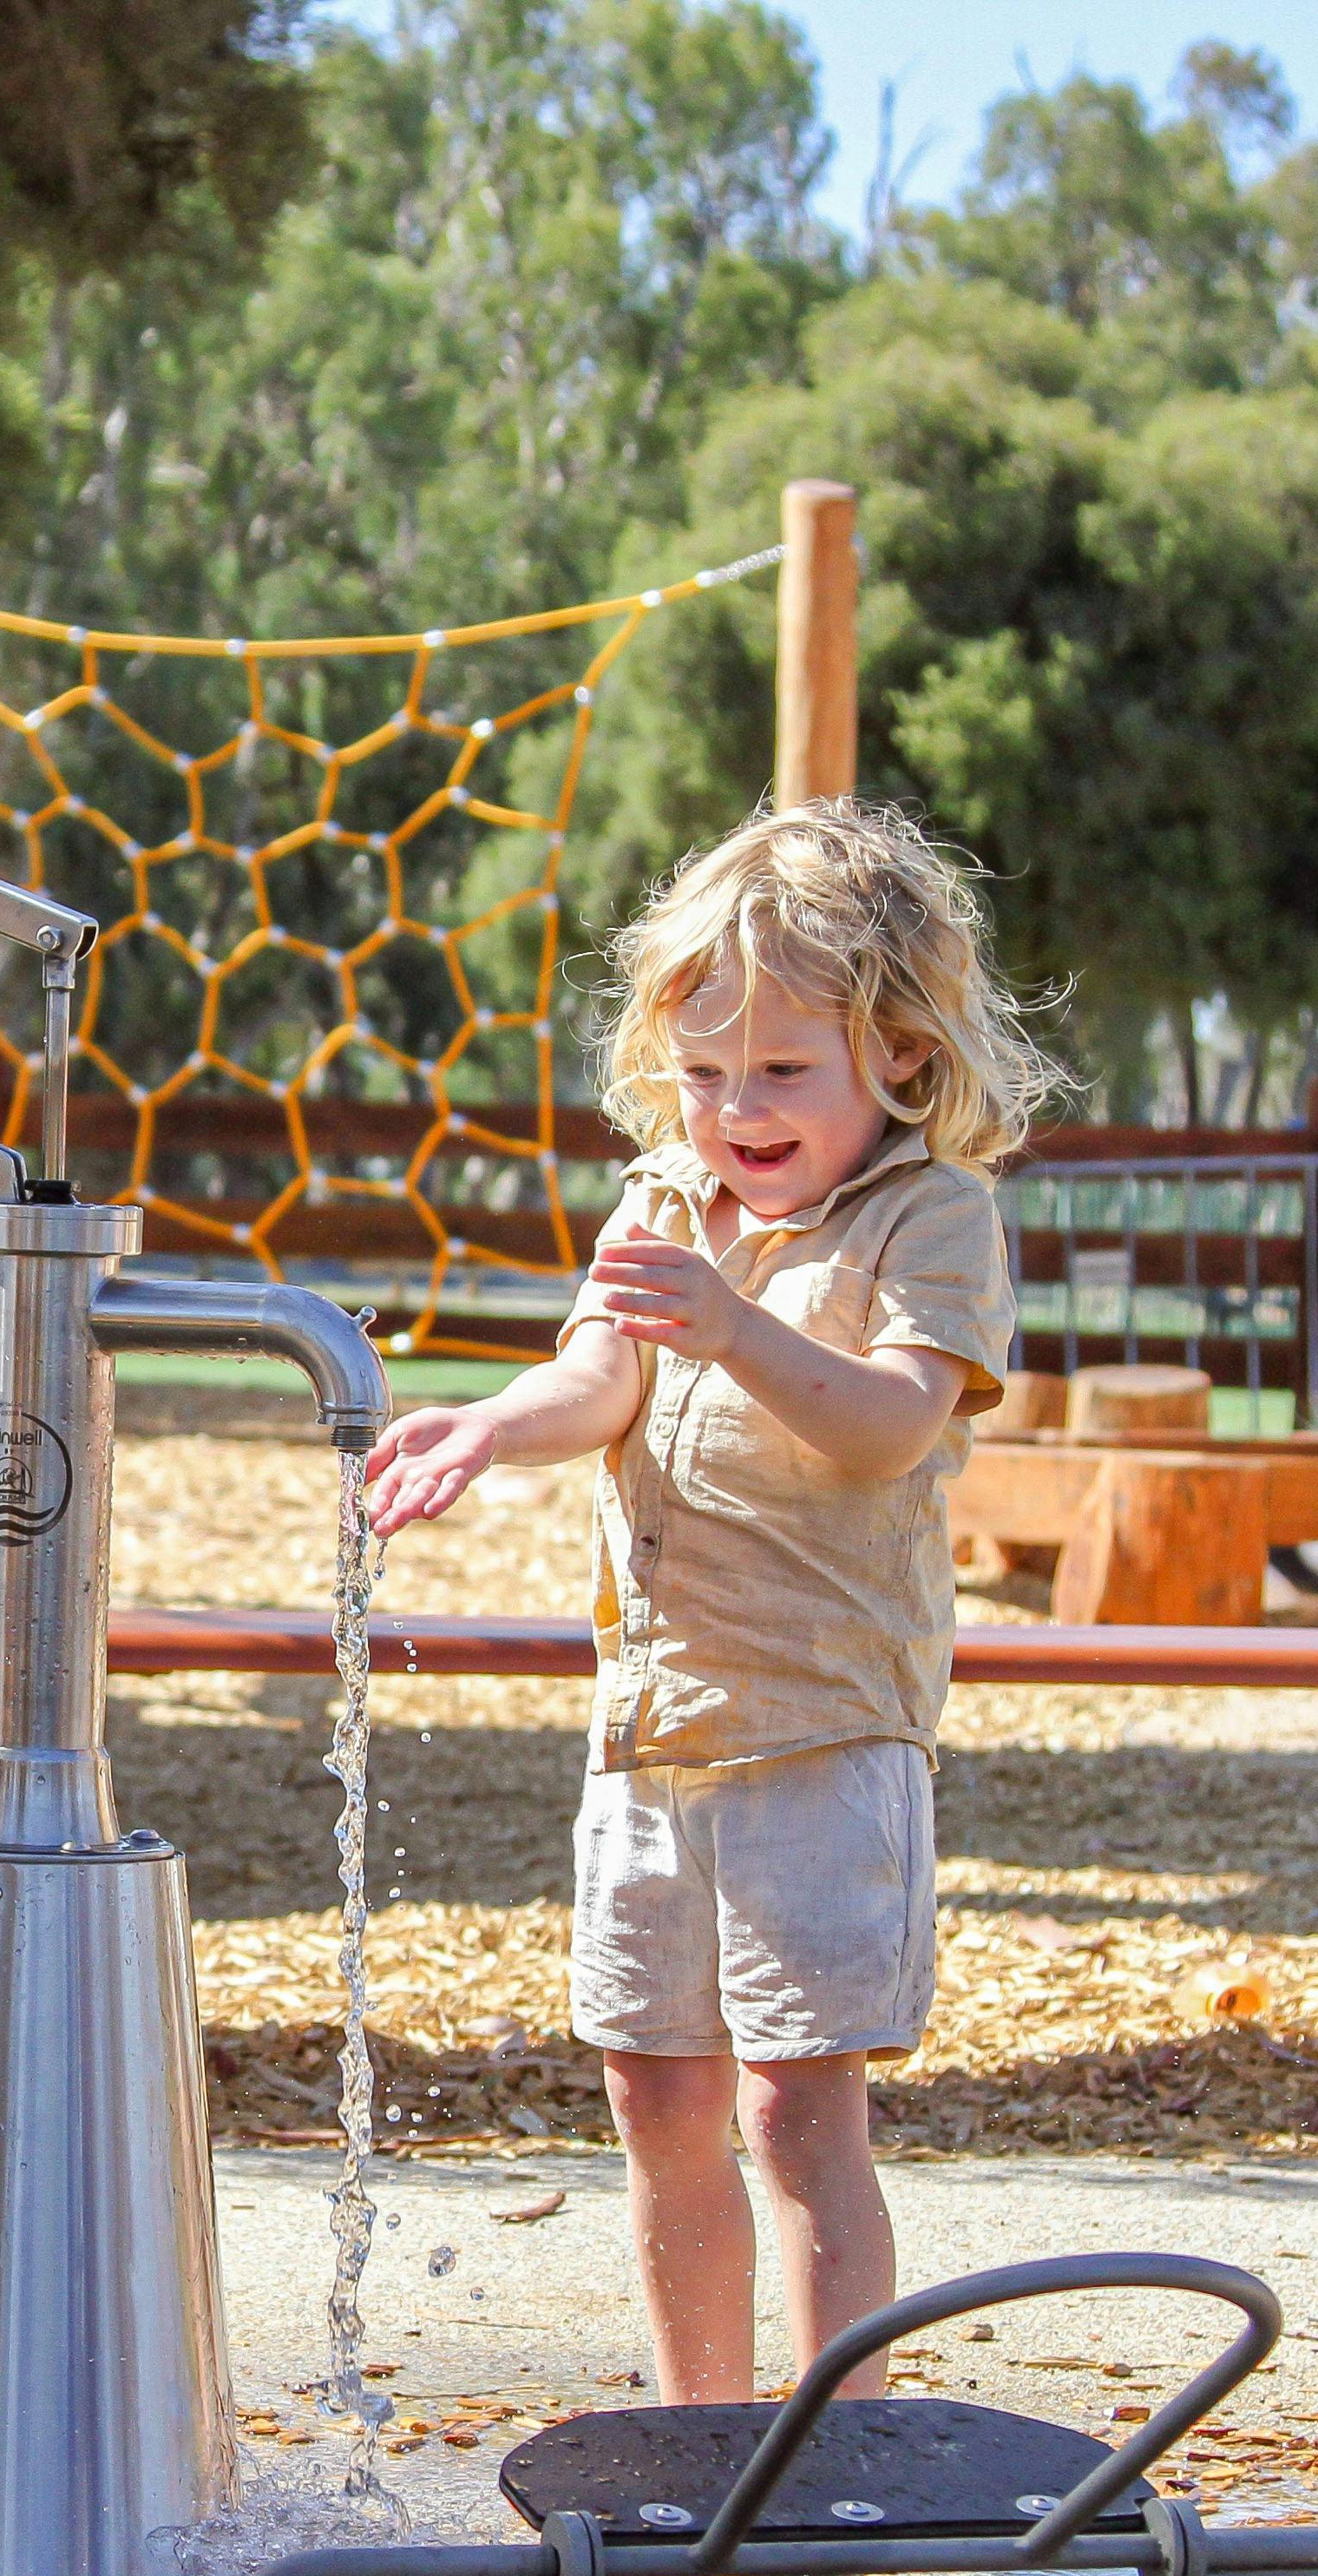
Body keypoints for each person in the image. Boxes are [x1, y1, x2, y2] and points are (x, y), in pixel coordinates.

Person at [358, 801, 1050, 2406]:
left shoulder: (926, 1220)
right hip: (652, 1735)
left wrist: (736, 1327)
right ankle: (700, 2433)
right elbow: (598, 1376)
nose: (738, 1108)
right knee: (655, 2097)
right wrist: (488, 1427)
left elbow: (888, 1428)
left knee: (795, 2117)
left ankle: (837, 2451)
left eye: (784, 1071)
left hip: (822, 1735)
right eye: (707, 1070)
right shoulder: (671, 1202)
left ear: (897, 1053)